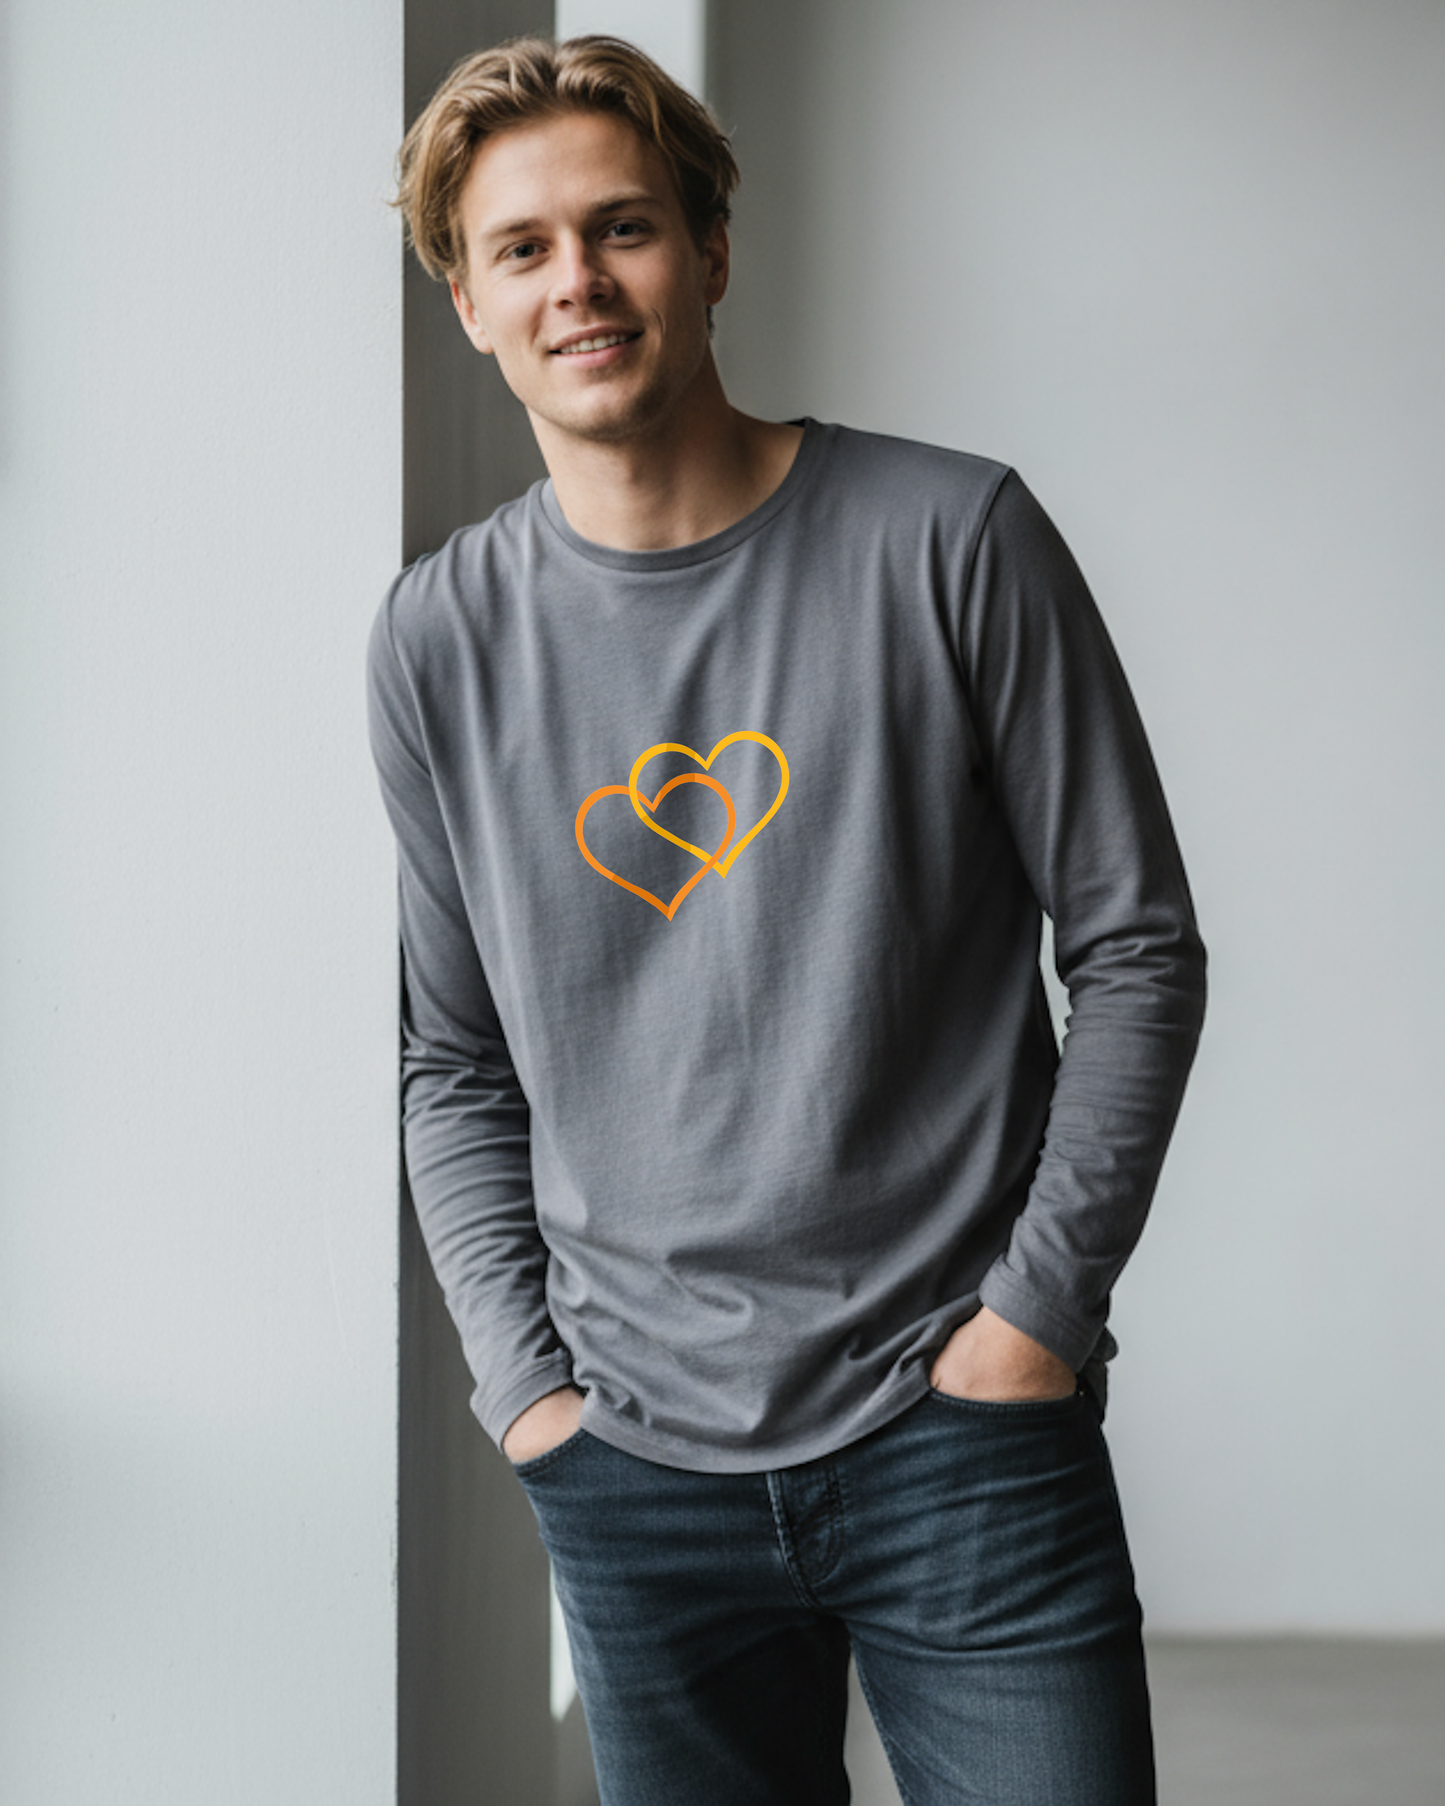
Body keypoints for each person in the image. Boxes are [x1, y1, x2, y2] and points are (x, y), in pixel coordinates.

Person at [369, 33, 1206, 1806]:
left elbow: (1134, 947)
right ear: (465, 298)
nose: (578, 282)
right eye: (520, 248)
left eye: (624, 228)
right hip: (631, 1472)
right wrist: (529, 1394)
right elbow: (452, 1058)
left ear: (713, 250)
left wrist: (1033, 1324)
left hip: (961, 1433)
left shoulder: (952, 537)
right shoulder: (440, 636)